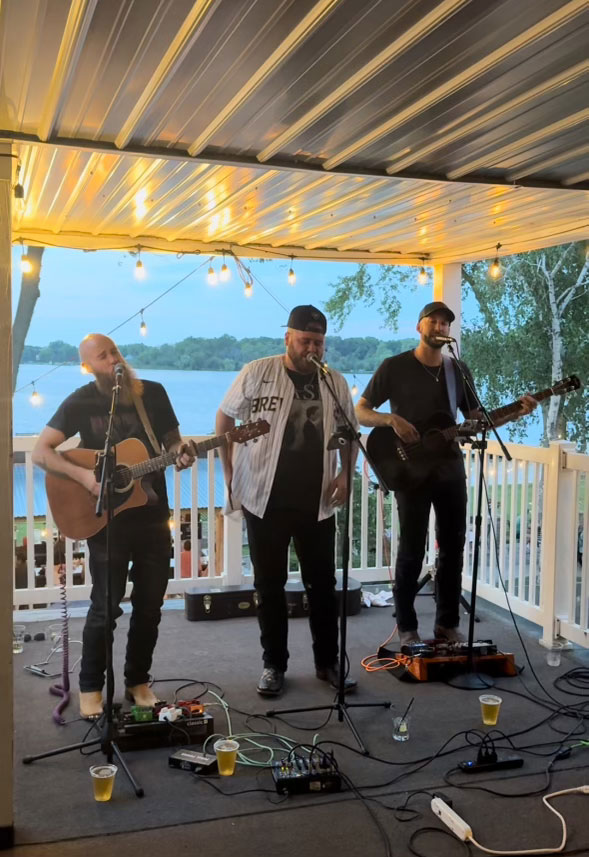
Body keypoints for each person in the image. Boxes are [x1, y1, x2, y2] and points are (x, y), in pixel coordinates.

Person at [355, 301, 537, 646]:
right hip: (409, 469)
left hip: (449, 468)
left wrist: (516, 412)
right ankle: (407, 627)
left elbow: (476, 418)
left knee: (452, 547)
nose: (440, 327)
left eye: (445, 323)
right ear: (419, 326)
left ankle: (447, 625)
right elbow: (361, 411)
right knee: (410, 548)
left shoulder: (458, 371)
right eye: (434, 321)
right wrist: (391, 419)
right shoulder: (394, 367)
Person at [32, 334, 194, 719]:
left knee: (150, 605)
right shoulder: (81, 400)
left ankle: (138, 680)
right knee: (106, 607)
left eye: (115, 352)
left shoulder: (152, 394)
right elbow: (41, 452)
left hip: (153, 516)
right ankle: (91, 686)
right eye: (103, 357)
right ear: (90, 366)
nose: (114, 360)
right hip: (107, 519)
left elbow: (172, 443)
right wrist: (86, 479)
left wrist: (180, 454)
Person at [216, 305, 358, 696]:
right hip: (264, 497)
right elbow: (225, 419)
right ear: (288, 338)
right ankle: (273, 664)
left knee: (322, 586)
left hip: (316, 501)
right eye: (304, 341)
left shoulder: (335, 383)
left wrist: (346, 472)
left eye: (318, 343)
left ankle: (327, 663)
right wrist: (228, 473)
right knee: (270, 585)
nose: (311, 349)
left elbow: (349, 431)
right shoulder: (257, 372)